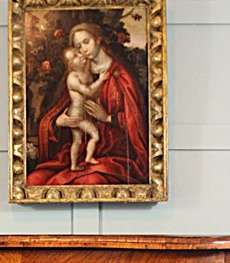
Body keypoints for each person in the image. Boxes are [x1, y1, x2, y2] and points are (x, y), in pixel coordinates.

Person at [27, 22, 149, 186]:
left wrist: (107, 118)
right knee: (35, 180)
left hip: (115, 149)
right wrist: (59, 121)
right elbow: (63, 107)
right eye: (78, 46)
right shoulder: (79, 73)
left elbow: (136, 119)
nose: (83, 49)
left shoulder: (120, 74)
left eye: (86, 42)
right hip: (81, 145)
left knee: (89, 180)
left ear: (98, 39)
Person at [62, 47, 109, 171]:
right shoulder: (72, 77)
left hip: (81, 113)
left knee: (77, 141)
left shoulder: (84, 71)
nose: (81, 55)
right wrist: (100, 80)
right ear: (70, 64)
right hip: (77, 115)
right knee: (95, 135)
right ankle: (88, 157)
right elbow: (88, 92)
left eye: (79, 53)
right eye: (76, 56)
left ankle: (73, 165)